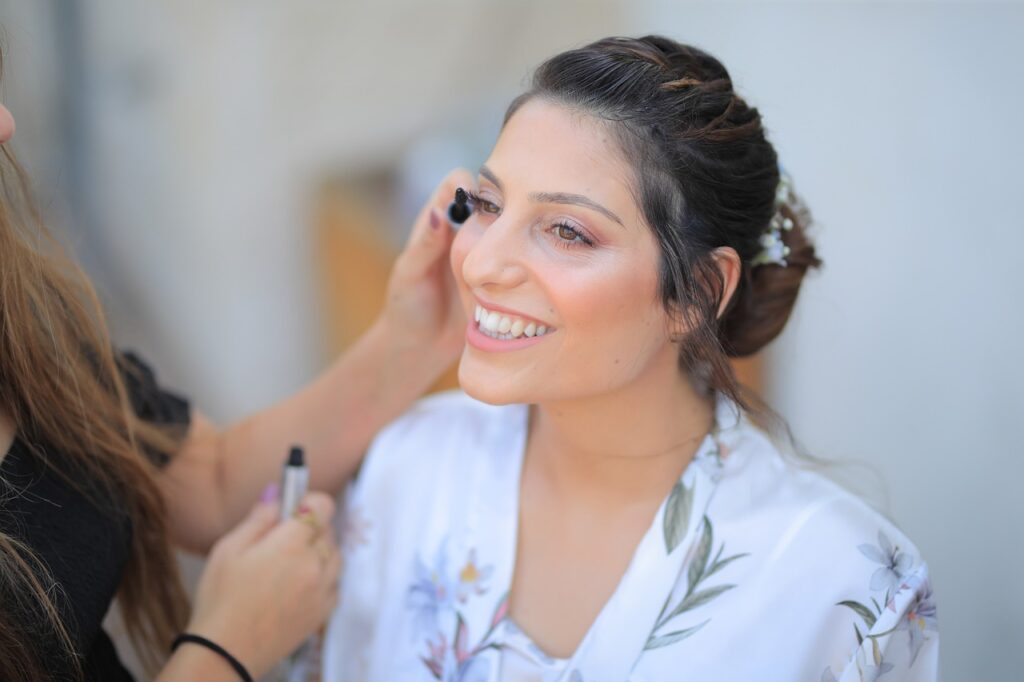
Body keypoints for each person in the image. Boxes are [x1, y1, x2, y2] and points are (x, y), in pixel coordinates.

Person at [323, 36, 940, 681]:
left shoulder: (848, 592)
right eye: (487, 204)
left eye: (567, 231)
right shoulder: (406, 470)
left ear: (697, 293)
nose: (478, 263)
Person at [0, 74, 473, 680]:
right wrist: (227, 649)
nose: (7, 124)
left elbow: (212, 483)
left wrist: (413, 339)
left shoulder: (22, 323)